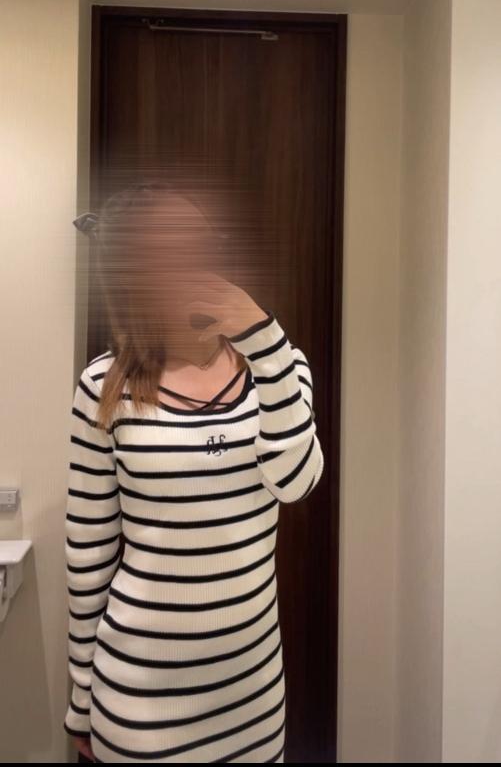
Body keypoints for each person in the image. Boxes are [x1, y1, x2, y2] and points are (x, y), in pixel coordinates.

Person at [63, 179, 324, 763]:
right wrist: (81, 700)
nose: (195, 262)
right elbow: (89, 551)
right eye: (169, 249)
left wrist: (267, 341)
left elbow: (295, 483)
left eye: (203, 243)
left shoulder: (281, 367)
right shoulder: (103, 386)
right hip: (138, 696)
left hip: (253, 691)